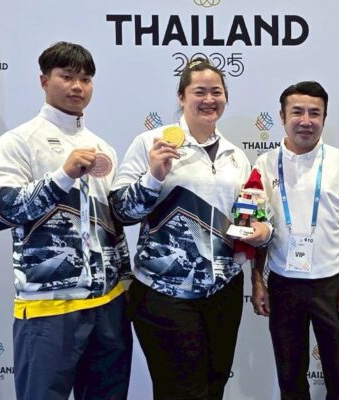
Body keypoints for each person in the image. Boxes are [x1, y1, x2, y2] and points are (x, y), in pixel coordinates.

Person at [0, 41, 132, 400]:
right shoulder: (18, 142)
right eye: (67, 77)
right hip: (48, 309)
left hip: (108, 306)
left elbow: (112, 227)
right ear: (44, 81)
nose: (77, 87)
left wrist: (126, 284)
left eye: (86, 79)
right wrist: (61, 177)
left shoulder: (103, 148)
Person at [110, 59, 269, 399]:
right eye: (199, 92)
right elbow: (122, 211)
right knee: (179, 392)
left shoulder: (236, 156)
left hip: (224, 291)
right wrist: (153, 176)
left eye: (217, 92)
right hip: (165, 293)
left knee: (213, 388)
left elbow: (249, 216)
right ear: (181, 97)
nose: (209, 99)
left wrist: (261, 230)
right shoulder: (151, 144)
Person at [250, 81, 339, 400]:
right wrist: (258, 281)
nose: (306, 120)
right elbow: (258, 228)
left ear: (324, 118)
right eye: (297, 112)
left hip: (333, 283)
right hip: (283, 283)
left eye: (315, 113)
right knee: (290, 379)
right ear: (282, 116)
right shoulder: (264, 164)